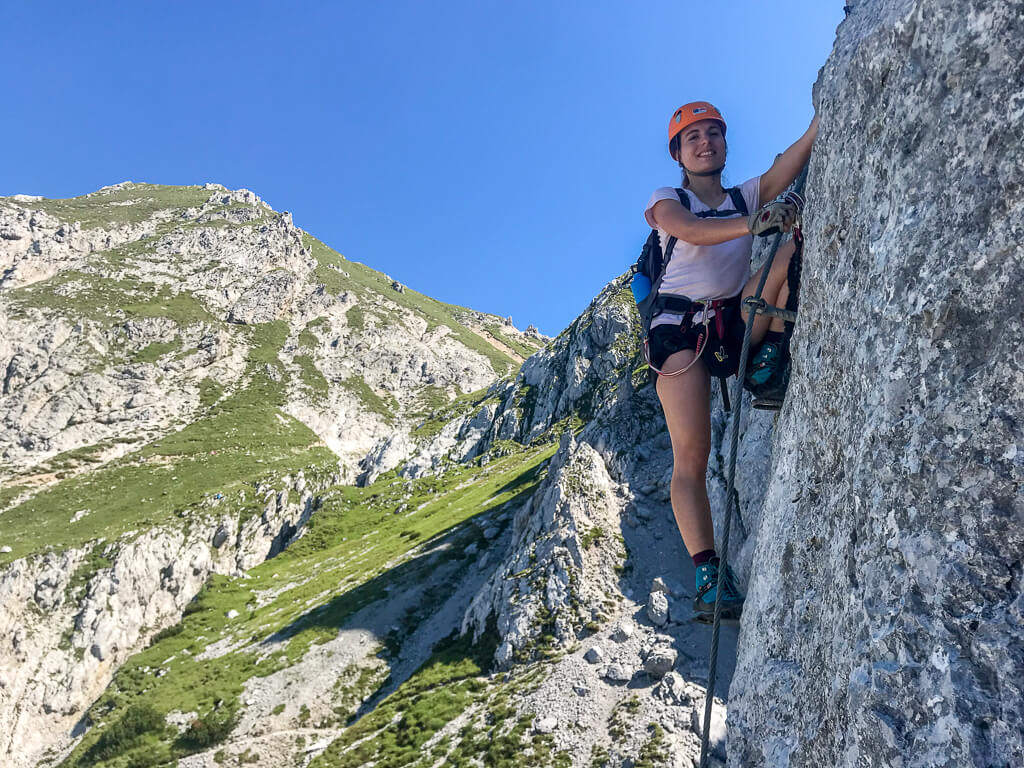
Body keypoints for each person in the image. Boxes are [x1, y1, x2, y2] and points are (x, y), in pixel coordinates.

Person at [644, 101, 818, 621]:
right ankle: (707, 571)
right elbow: (690, 231)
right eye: (692, 137)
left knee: (792, 250)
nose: (705, 143)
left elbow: (786, 165)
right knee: (693, 454)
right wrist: (753, 222)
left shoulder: (743, 196)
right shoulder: (667, 199)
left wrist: (819, 119)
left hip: (730, 320)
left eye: (713, 133)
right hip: (678, 333)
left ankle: (767, 360)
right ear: (679, 153)